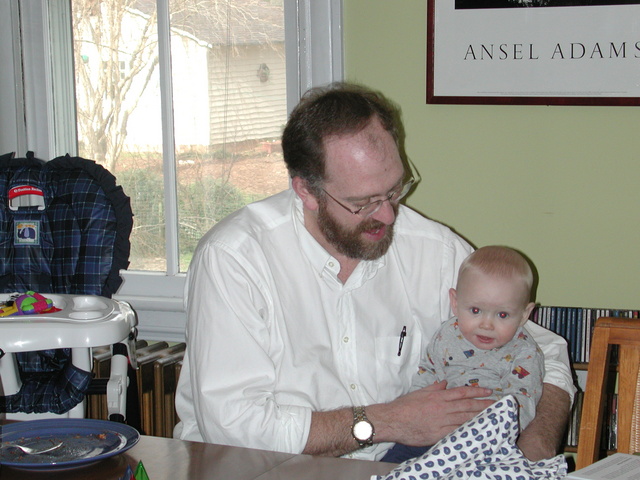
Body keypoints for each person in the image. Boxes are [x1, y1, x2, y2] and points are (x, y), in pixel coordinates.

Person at [173, 82, 575, 462]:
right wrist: (388, 422)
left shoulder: (433, 250)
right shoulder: (235, 260)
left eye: (395, 190)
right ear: (307, 191)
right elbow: (235, 430)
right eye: (363, 202)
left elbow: (547, 353)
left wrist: (533, 448)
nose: (388, 215)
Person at [382, 245, 543, 462]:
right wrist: (414, 411)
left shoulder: (524, 352)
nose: (486, 325)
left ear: (524, 314)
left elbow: (522, 403)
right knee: (395, 461)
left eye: (502, 315)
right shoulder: (447, 334)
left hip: (487, 441)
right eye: (476, 311)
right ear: (455, 303)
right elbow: (428, 371)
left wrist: (491, 432)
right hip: (435, 428)